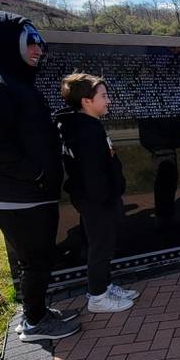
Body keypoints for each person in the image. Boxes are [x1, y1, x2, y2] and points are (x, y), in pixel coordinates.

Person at [0, 10, 80, 341]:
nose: (38, 50)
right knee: (36, 259)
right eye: (31, 43)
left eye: (40, 43)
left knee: (39, 258)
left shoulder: (11, 80)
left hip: (28, 193)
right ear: (8, 44)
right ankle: (34, 322)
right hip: (18, 195)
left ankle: (38, 311)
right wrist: (36, 173)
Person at [54, 73, 139, 313]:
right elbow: (92, 172)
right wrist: (106, 197)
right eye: (103, 96)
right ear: (86, 101)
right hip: (97, 200)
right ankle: (98, 297)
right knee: (100, 246)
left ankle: (104, 284)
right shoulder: (84, 131)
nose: (108, 100)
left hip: (98, 198)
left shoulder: (87, 125)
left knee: (104, 244)